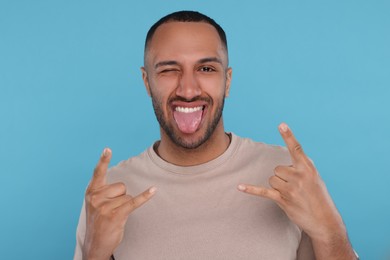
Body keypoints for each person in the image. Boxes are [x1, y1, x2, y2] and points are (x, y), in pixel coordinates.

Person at [74, 10, 357, 260]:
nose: (187, 89)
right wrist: (93, 255)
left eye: (206, 68)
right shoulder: (108, 193)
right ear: (147, 82)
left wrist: (331, 232)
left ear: (228, 80)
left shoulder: (289, 176)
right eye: (169, 70)